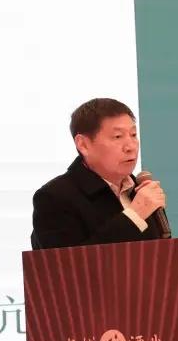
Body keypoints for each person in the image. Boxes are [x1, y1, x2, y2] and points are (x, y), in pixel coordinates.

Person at [30, 98, 169, 250]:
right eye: (118, 136)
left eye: (133, 134)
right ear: (83, 144)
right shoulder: (54, 197)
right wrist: (135, 216)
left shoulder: (139, 190)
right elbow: (69, 262)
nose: (130, 146)